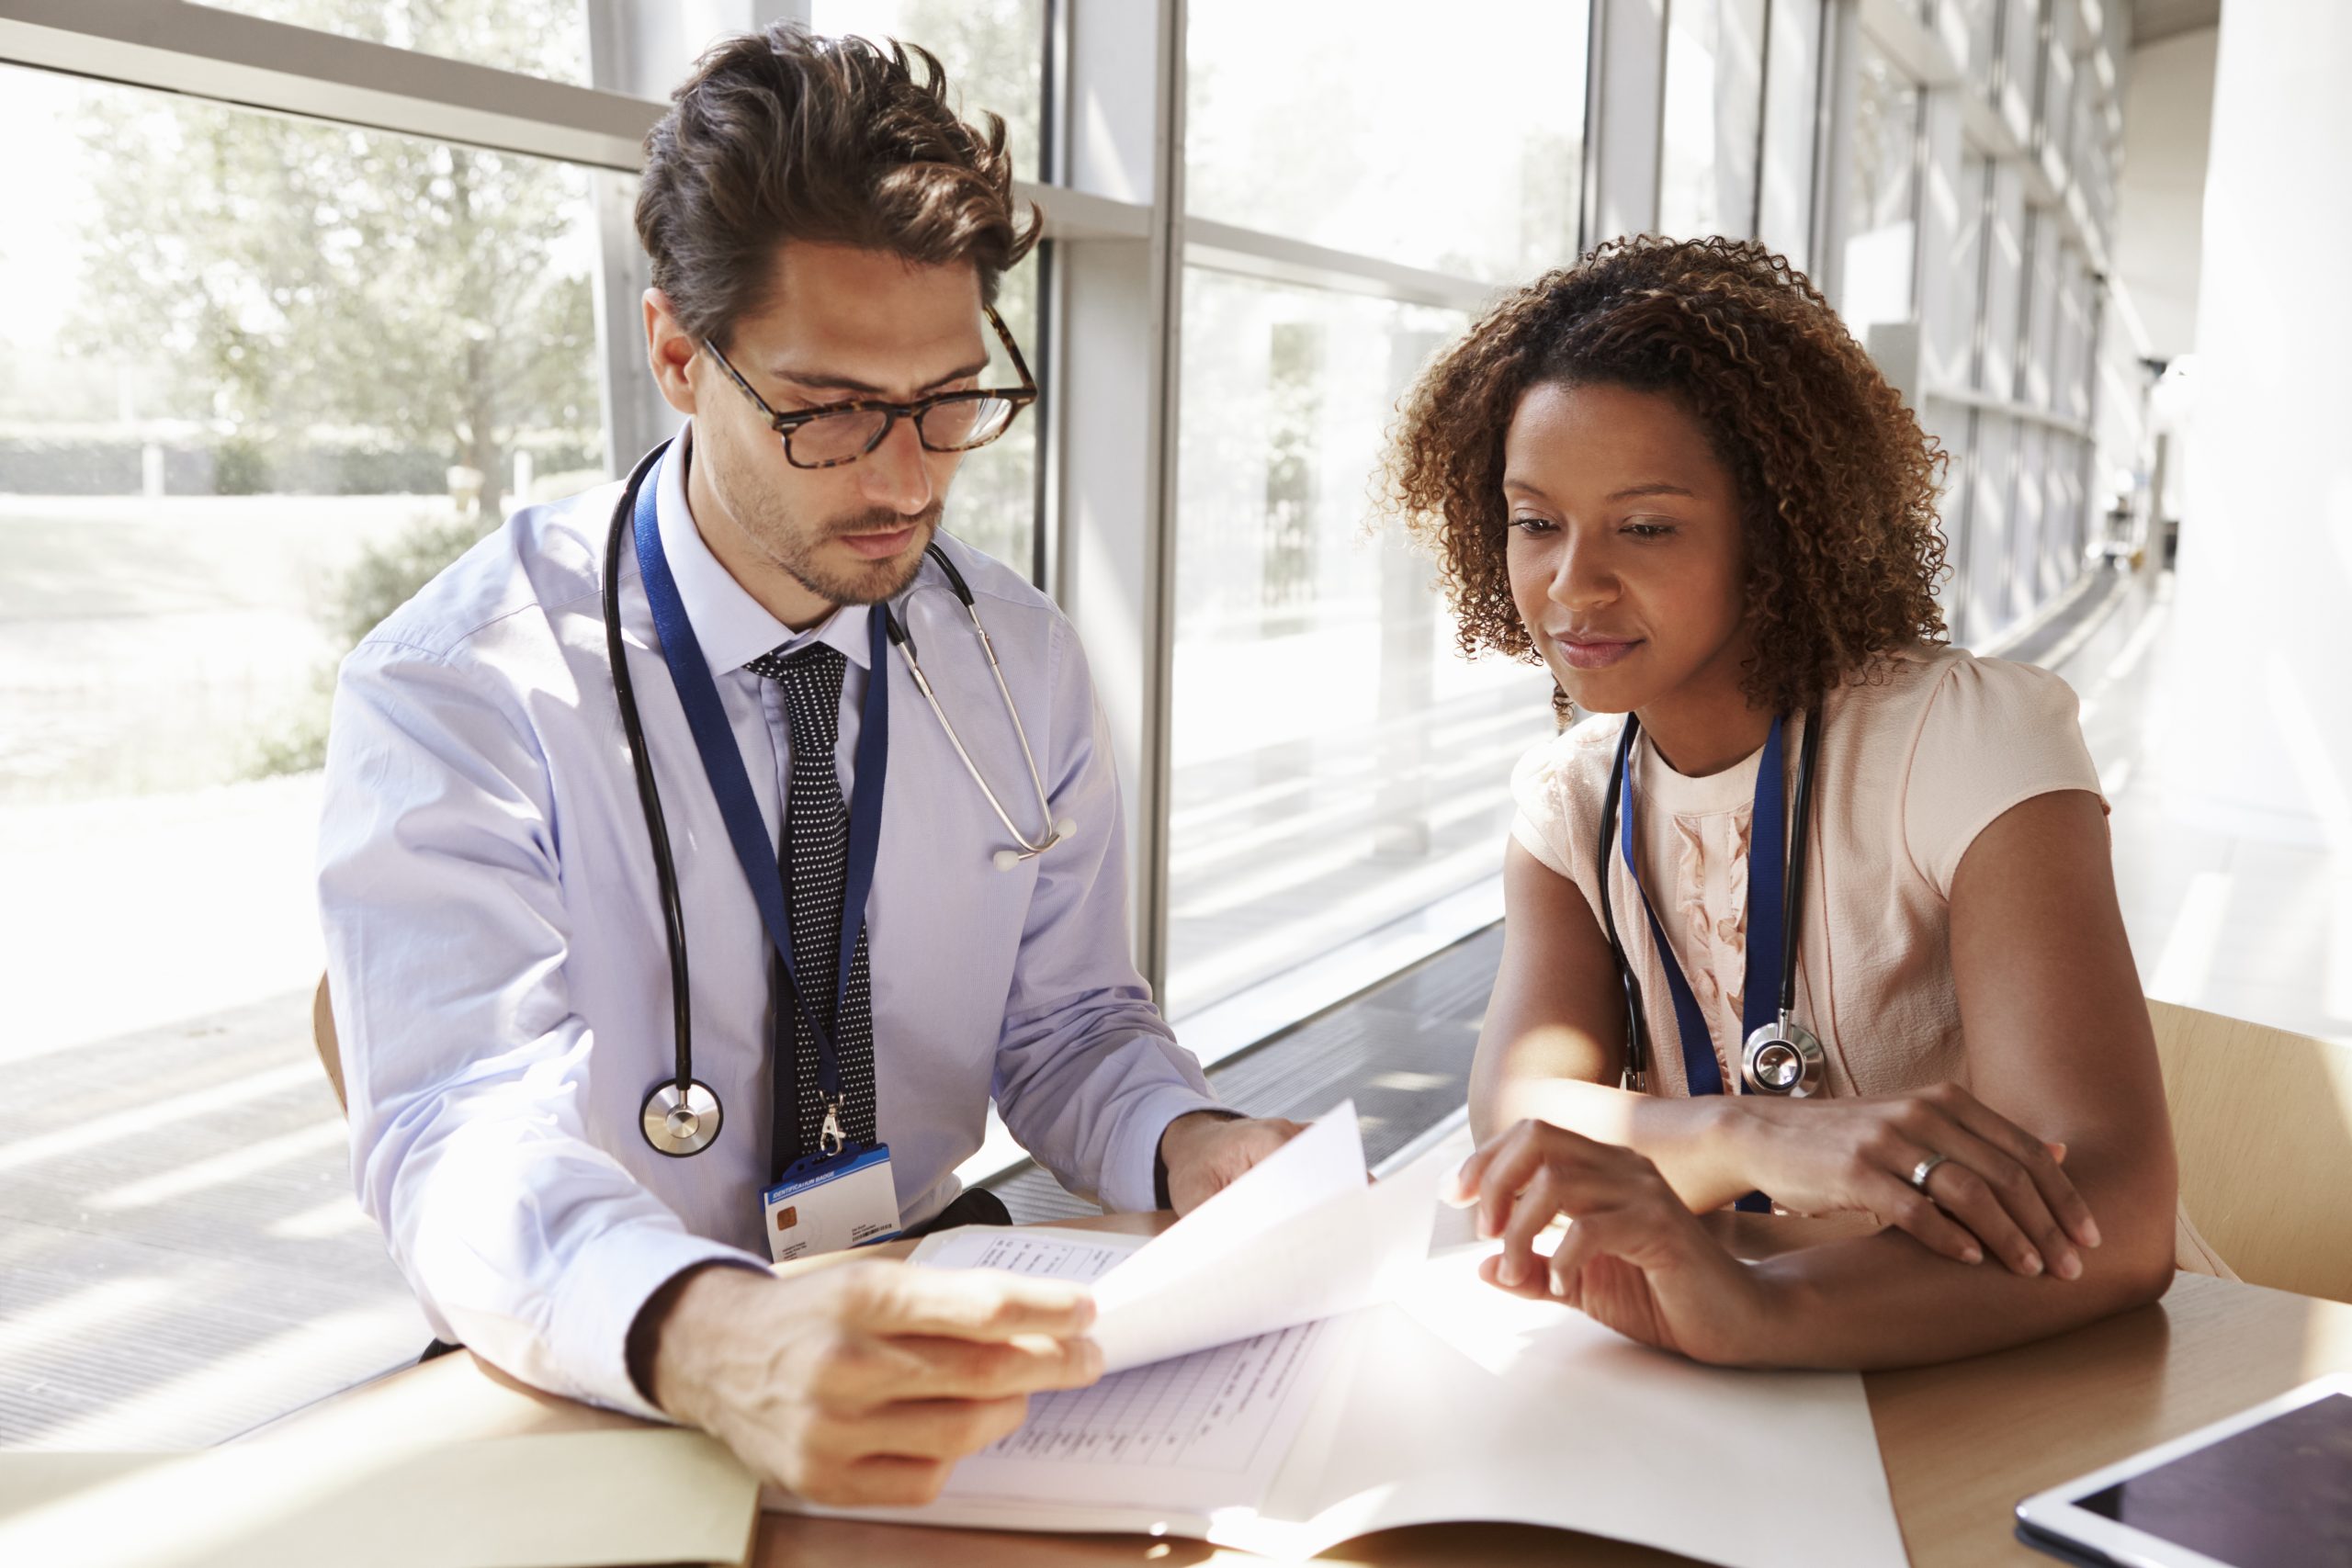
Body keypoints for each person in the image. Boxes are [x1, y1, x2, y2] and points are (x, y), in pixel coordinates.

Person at [317, 28, 1297, 1506]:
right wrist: (718, 1337)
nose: (906, 478)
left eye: (950, 399)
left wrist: (1190, 1136)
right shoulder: (460, 687)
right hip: (620, 1345)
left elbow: (1070, 1021)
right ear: (674, 355)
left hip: (918, 1298)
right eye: (831, 408)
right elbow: (458, 1131)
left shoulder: (1013, 655)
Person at [1383, 235, 2215, 1371]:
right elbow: (1522, 1133)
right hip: (1728, 1375)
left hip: (2032, 1373)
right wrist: (1751, 1132)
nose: (1572, 583)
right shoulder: (1570, 802)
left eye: (1646, 526)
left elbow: (2115, 1225)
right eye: (1536, 521)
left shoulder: (1967, 746)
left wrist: (1758, 1310)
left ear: (1775, 528)